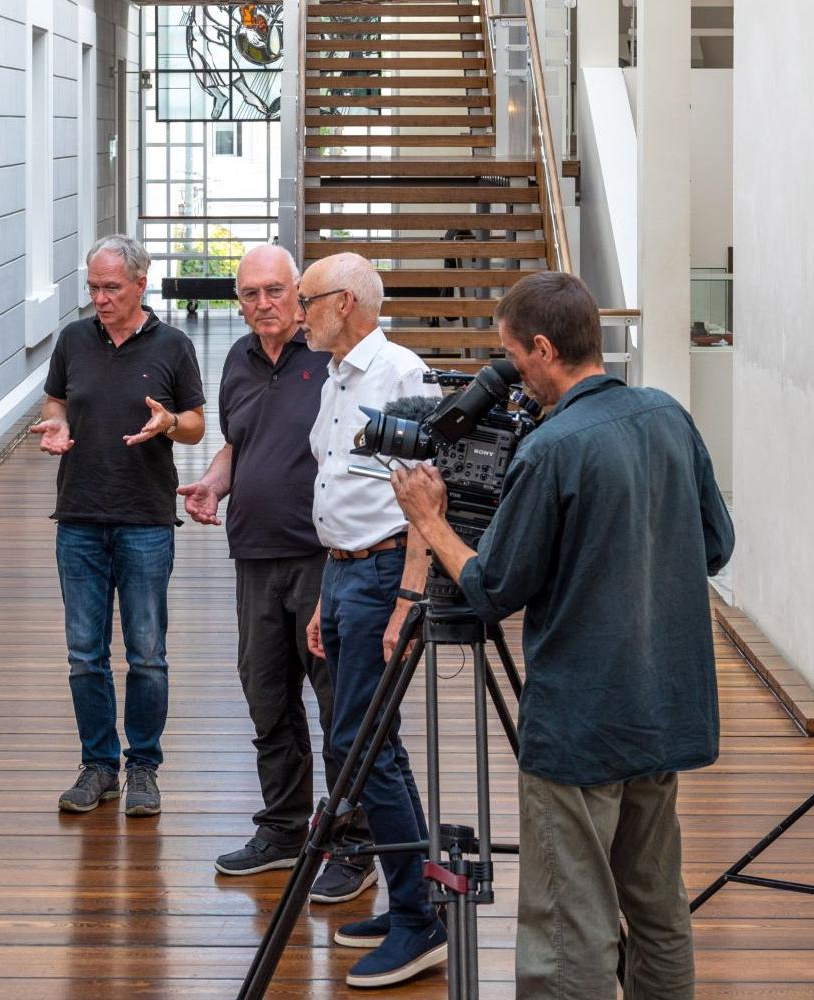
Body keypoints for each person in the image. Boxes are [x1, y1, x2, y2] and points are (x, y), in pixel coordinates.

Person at [390, 271, 734, 999]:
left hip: (582, 723)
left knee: (568, 926)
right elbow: (716, 545)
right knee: (657, 905)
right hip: (664, 707)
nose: (514, 373)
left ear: (544, 348)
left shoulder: (552, 448)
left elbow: (493, 588)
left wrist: (431, 522)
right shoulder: (668, 415)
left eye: (515, 356)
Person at [177, 246, 376, 903]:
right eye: (250, 293)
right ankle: (285, 828)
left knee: (339, 703)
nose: (262, 304)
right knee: (268, 699)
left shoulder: (329, 356)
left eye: (274, 291)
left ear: (298, 294)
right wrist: (214, 482)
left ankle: (353, 842)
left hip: (324, 557)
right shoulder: (237, 359)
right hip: (255, 556)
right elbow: (242, 441)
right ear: (238, 301)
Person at [298, 253, 448, 989]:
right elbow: (340, 487)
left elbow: (428, 493)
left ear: (345, 303)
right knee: (374, 742)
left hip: (385, 574)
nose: (299, 315)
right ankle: (413, 902)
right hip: (344, 572)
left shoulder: (400, 373)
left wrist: (407, 599)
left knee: (360, 744)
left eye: (307, 302)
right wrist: (326, 595)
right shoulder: (336, 379)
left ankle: (419, 922)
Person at [29, 235, 207, 817]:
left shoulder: (173, 345)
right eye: (93, 288)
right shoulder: (73, 340)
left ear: (139, 284)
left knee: (147, 652)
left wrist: (169, 423)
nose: (100, 298)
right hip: (79, 515)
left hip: (145, 520)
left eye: (110, 288)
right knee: (85, 653)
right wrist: (56, 423)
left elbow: (197, 426)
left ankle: (144, 767)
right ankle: (99, 766)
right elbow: (56, 401)